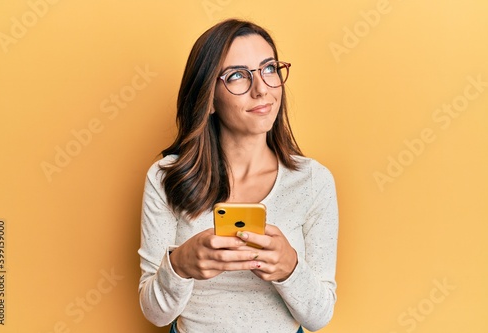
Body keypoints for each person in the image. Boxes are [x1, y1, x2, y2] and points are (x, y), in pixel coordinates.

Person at [138, 19, 338, 333]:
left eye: (269, 69)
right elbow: (156, 314)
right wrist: (179, 266)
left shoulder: (313, 181)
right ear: (209, 97)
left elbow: (319, 317)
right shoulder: (167, 178)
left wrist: (290, 268)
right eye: (237, 76)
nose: (262, 89)